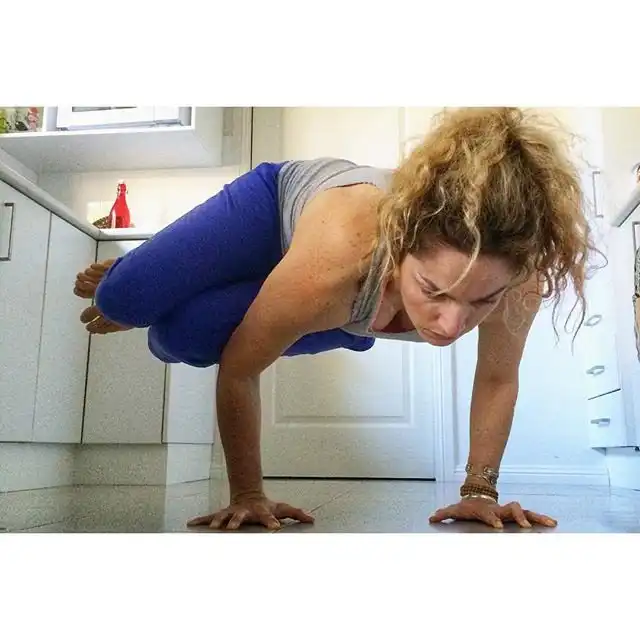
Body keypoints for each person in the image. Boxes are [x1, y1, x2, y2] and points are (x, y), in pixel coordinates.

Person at [73, 107, 593, 531]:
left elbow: (498, 378)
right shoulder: (346, 254)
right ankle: (141, 285)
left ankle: (209, 295)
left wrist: (479, 493)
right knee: (121, 299)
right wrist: (248, 493)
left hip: (327, 297)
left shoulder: (518, 279)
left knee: (180, 335)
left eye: (481, 301)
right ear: (401, 246)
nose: (452, 326)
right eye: (433, 290)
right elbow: (243, 370)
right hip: (277, 211)